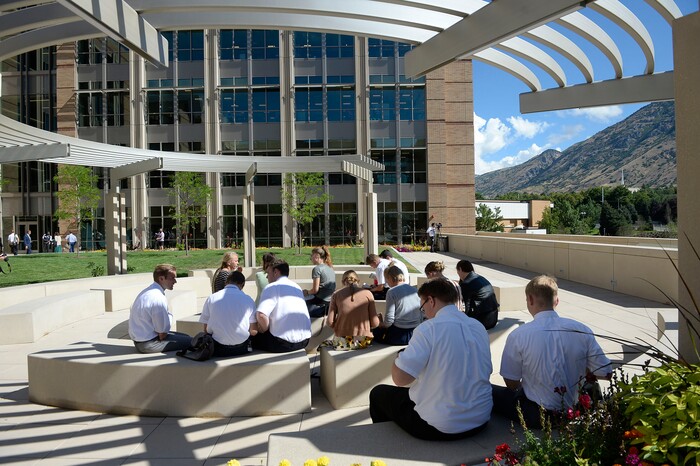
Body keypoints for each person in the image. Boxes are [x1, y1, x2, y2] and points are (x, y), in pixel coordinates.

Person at [369, 278, 493, 440]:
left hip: (440, 426)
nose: (424, 312)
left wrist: (398, 358)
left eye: (422, 306)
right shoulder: (477, 326)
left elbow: (400, 379)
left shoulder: (429, 329)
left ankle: (387, 444)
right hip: (480, 419)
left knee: (378, 393)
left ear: (431, 300)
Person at [492, 275, 612, 429]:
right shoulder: (581, 329)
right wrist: (582, 370)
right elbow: (606, 373)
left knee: (489, 391)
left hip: (536, 415)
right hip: (575, 410)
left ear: (530, 299)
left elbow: (511, 382)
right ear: (556, 301)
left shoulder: (519, 335)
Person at [128, 264, 192, 353]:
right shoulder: (158, 298)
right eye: (172, 278)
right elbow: (162, 332)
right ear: (161, 279)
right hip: (148, 344)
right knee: (192, 342)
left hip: (140, 340)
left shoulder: (147, 291)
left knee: (185, 337)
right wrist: (169, 315)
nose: (175, 281)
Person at [252, 259, 311, 352]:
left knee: (250, 335)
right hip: (304, 341)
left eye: (268, 273)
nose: (267, 277)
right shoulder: (297, 287)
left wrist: (263, 330)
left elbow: (261, 314)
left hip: (281, 344)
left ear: (275, 272)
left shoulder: (272, 287)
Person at [199, 271, 258, 357]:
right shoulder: (248, 299)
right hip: (242, 348)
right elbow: (253, 331)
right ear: (242, 285)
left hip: (217, 348)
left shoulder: (212, 298)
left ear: (226, 282)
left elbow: (205, 329)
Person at [372, 266, 422, 345]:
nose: (386, 283)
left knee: (375, 332)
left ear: (390, 278)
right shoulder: (415, 290)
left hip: (399, 334)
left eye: (386, 280)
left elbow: (389, 320)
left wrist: (381, 323)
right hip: (415, 333)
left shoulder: (392, 292)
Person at [327, 270, 380, 338]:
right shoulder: (368, 294)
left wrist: (341, 327)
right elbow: (375, 323)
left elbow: (330, 322)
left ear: (343, 282)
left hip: (342, 340)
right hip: (363, 340)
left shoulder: (336, 295)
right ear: (358, 281)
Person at [456, 259, 499, 330]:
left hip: (483, 321)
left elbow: (467, 306)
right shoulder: (479, 278)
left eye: (458, 272)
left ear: (460, 269)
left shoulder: (467, 283)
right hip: (494, 317)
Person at [303, 246, 336, 317]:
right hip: (329, 303)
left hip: (320, 304)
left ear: (317, 256)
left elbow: (315, 290)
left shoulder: (317, 269)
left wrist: (306, 292)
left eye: (311, 256)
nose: (311, 258)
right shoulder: (330, 268)